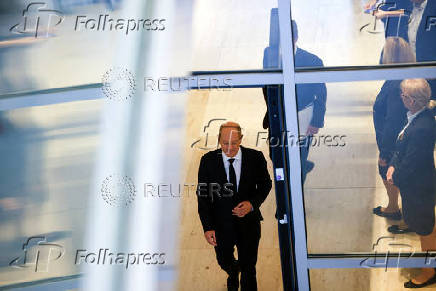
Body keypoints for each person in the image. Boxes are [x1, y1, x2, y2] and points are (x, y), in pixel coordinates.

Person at [197, 121, 272, 291]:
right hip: (221, 225)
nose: (229, 148)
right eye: (225, 143)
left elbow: (265, 184)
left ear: (241, 139)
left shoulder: (255, 158)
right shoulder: (208, 161)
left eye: (234, 143)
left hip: (249, 224)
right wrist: (207, 227)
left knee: (249, 269)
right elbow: (203, 196)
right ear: (218, 139)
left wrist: (252, 204)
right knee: (224, 261)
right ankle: (232, 271)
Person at [263, 20, 327, 183]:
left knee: (298, 157)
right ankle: (283, 186)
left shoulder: (313, 61)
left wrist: (316, 122)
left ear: (296, 38)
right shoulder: (269, 54)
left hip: (303, 115)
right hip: (279, 115)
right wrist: (272, 110)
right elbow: (266, 85)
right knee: (276, 157)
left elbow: (321, 93)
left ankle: (295, 191)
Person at [386, 79, 436, 288]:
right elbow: (402, 144)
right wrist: (393, 165)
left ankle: (429, 271)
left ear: (413, 101)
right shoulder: (417, 117)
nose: (401, 98)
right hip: (417, 184)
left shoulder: (422, 128)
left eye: (404, 95)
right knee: (423, 224)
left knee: (425, 228)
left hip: (419, 187)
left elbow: (412, 163)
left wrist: (394, 176)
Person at [372, 37, 416, 221]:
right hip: (403, 140)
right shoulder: (405, 78)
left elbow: (392, 122)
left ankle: (395, 210)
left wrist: (384, 152)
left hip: (393, 143)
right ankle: (395, 207)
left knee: (388, 173)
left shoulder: (395, 86)